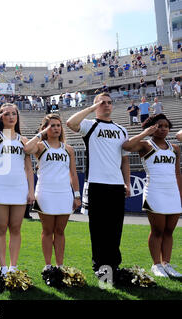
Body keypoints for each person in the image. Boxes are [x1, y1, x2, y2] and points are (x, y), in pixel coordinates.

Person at [66, 92, 130, 279]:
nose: (107, 105)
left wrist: (127, 182)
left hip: (117, 185)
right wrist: (92, 108)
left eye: (109, 103)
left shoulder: (121, 130)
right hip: (96, 183)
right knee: (99, 228)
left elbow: (125, 161)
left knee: (115, 228)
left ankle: (114, 266)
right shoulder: (90, 125)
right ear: (95, 106)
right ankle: (101, 267)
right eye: (103, 103)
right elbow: (70, 123)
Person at [0, 103, 35, 276]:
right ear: (1, 117)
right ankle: (3, 267)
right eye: (6, 114)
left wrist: (31, 191)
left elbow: (29, 168)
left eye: (13, 114)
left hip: (19, 187)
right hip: (0, 185)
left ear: (17, 117)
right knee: (1, 227)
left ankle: (13, 266)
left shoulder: (23, 140)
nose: (10, 117)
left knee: (16, 228)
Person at [122, 114, 181, 278]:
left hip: (172, 192)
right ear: (152, 127)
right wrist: (145, 132)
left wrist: (180, 194)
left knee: (169, 231)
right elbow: (127, 146)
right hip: (154, 190)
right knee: (158, 230)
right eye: (159, 126)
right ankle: (156, 265)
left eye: (166, 126)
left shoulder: (174, 148)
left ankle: (167, 264)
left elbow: (177, 173)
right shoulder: (145, 145)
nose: (163, 129)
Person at [24, 114, 81, 271]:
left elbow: (73, 174)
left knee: (60, 231)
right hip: (45, 193)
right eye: (52, 126)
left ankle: (60, 265)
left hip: (64, 193)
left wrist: (77, 195)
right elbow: (27, 148)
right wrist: (41, 134)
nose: (56, 128)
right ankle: (48, 266)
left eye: (58, 125)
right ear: (45, 128)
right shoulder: (41, 147)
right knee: (48, 231)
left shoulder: (68, 149)